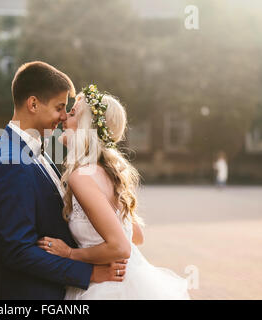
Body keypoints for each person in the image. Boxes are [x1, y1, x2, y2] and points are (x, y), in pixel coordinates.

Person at [0, 62, 128, 300]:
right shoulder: (9, 161)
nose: (63, 117)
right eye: (60, 107)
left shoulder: (36, 152)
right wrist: (90, 272)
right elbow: (18, 251)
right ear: (33, 104)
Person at [37, 85, 190, 299]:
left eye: (72, 113)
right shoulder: (110, 173)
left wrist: (71, 253)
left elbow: (121, 247)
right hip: (132, 283)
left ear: (85, 126)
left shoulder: (82, 176)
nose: (64, 118)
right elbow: (136, 235)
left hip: (107, 288)